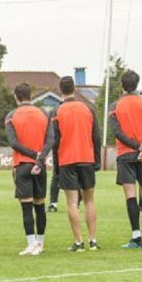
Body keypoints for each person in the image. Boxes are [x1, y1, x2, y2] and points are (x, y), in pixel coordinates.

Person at [37, 75, 101, 252]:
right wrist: (97, 160)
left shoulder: (57, 112)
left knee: (72, 203)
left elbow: (55, 142)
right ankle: (93, 241)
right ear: (75, 89)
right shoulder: (88, 109)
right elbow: (96, 136)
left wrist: (57, 168)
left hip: (67, 160)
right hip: (87, 158)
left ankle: (79, 242)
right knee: (89, 201)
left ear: (60, 91)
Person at [110, 70, 142, 249]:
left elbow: (117, 132)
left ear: (122, 85)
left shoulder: (115, 105)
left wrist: (136, 146)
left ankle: (136, 237)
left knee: (130, 195)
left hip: (126, 154)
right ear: (137, 84)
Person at [5, 82, 50, 256]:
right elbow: (50, 140)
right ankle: (40, 244)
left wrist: (32, 155)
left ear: (16, 96)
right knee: (40, 205)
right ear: (30, 95)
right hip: (40, 166)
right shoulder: (43, 114)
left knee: (26, 207)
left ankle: (31, 244)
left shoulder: (11, 115)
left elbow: (14, 143)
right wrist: (39, 158)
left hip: (22, 165)